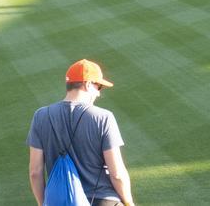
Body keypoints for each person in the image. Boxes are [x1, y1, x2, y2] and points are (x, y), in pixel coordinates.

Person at [27, 59, 135, 206]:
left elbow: (35, 172)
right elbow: (117, 174)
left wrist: (43, 203)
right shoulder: (103, 117)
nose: (98, 94)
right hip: (103, 200)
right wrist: (129, 203)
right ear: (88, 84)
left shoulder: (40, 116)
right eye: (99, 87)